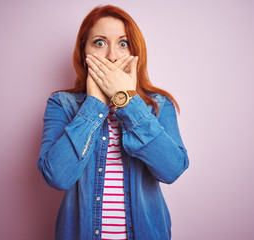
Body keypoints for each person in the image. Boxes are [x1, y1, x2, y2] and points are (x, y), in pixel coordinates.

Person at [37, 5, 189, 240]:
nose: (112, 56)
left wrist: (127, 102)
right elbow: (58, 176)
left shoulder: (158, 105)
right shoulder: (61, 103)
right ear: (83, 52)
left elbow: (171, 170)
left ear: (135, 51)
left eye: (123, 43)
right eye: (99, 42)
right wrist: (95, 103)